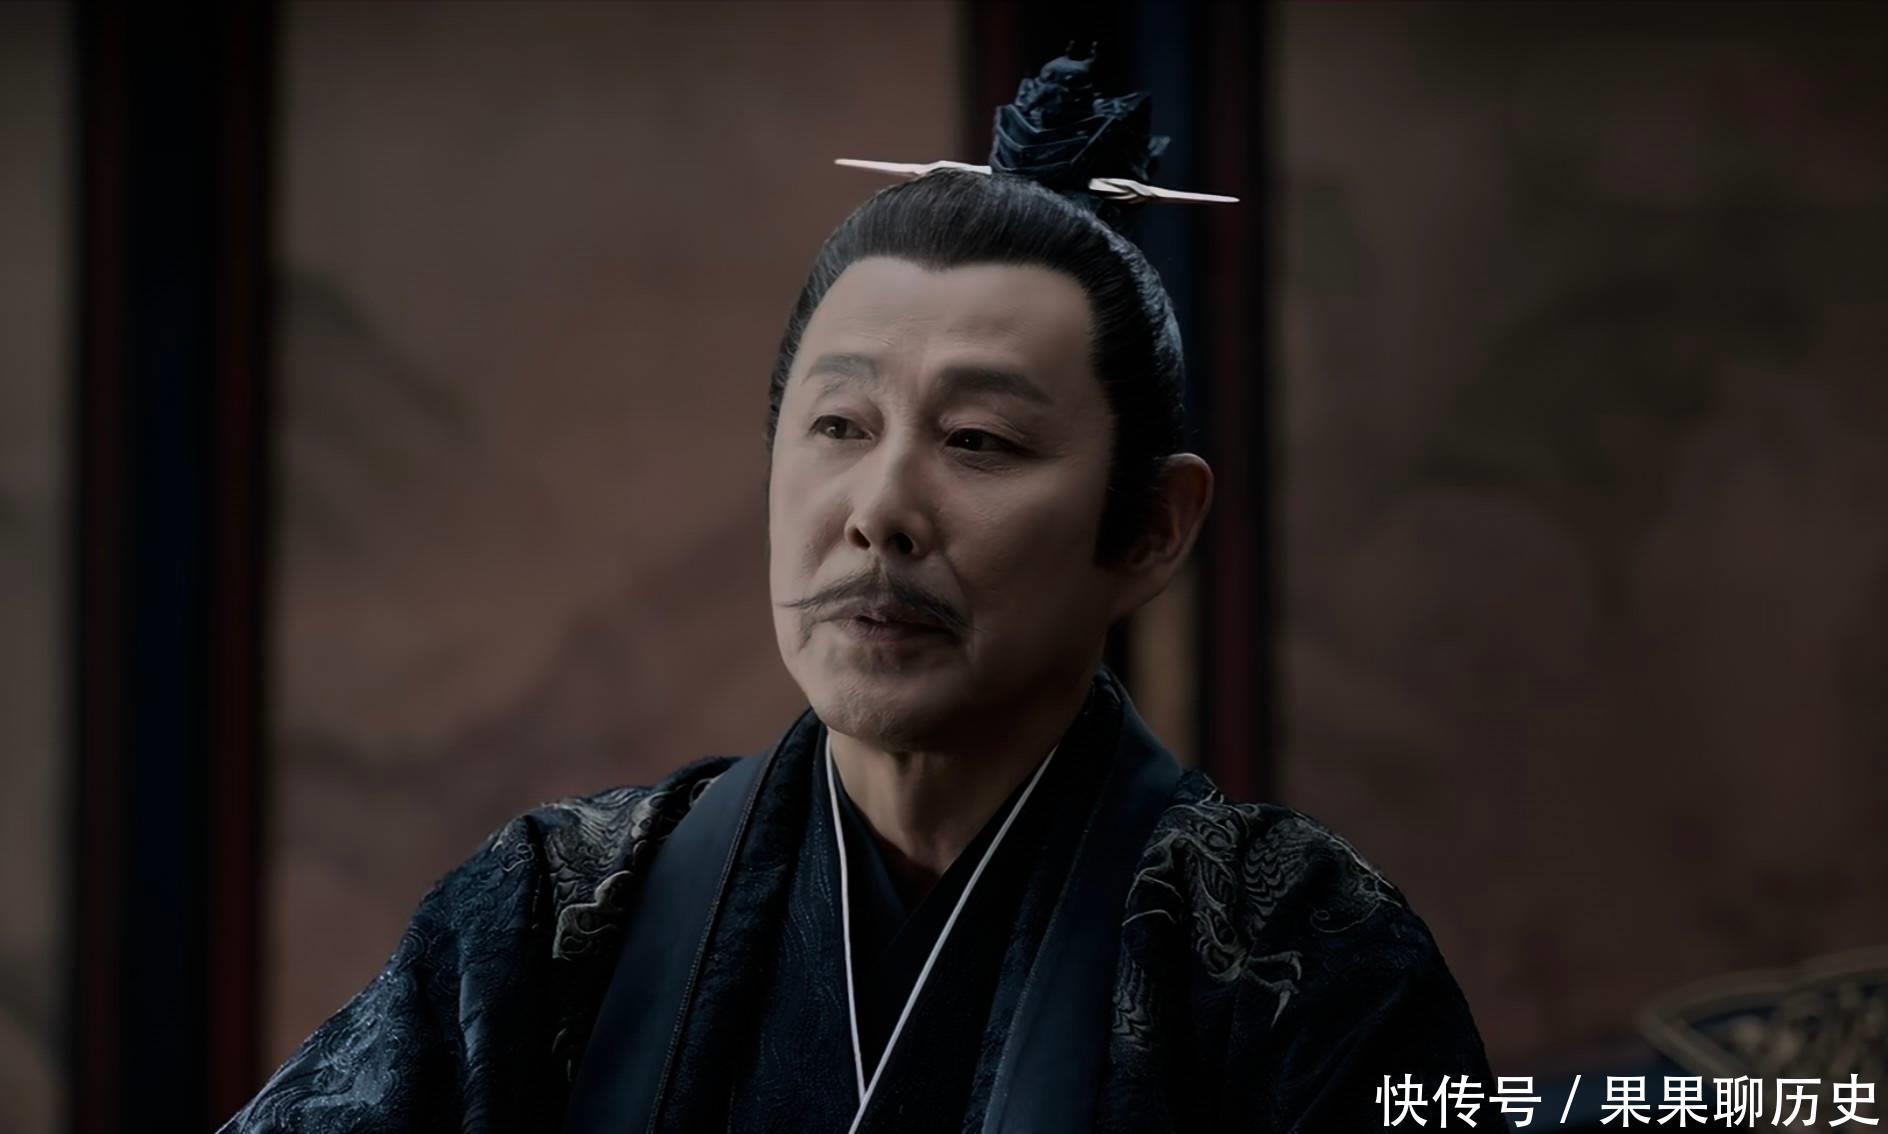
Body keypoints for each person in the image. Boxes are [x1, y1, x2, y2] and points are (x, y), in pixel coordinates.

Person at [224, 49, 1492, 1134]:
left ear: (1153, 528)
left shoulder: (1294, 953)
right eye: (839, 426)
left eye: (979, 440)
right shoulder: (556, 917)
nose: (880, 509)